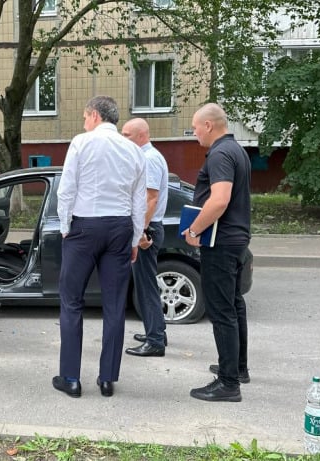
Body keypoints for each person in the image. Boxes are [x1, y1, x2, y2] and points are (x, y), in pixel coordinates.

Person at [53, 96, 146, 398]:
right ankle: (107, 379)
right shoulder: (134, 150)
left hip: (84, 225)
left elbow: (67, 188)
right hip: (119, 227)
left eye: (84, 116)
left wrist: (66, 227)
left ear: (94, 115)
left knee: (71, 301)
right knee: (115, 304)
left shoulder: (81, 143)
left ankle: (70, 378)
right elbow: (139, 200)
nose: (83, 122)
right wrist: (134, 238)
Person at [182, 103, 251, 402]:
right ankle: (237, 368)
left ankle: (227, 384)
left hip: (220, 242)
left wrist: (195, 230)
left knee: (222, 311)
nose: (194, 132)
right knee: (234, 305)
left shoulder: (221, 154)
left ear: (209, 125)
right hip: (235, 240)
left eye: (196, 127)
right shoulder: (237, 150)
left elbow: (219, 200)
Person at [121, 118, 169, 357]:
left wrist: (140, 232)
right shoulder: (149, 157)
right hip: (150, 227)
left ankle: (155, 341)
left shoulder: (149, 159)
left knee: (145, 287)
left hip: (148, 229)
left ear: (141, 136)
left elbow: (151, 199)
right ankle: (157, 329)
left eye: (127, 135)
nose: (123, 138)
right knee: (147, 283)